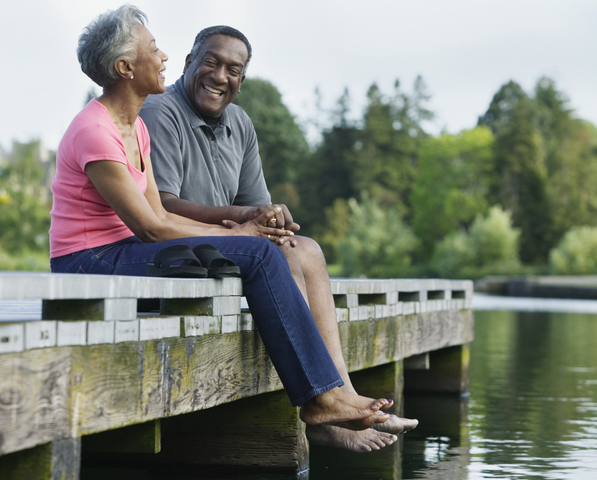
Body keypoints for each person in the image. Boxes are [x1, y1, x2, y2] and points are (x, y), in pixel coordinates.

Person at [49, 4, 394, 436]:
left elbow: (158, 214)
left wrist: (244, 232)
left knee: (263, 249)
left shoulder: (133, 127)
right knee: (261, 255)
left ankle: (329, 394)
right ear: (124, 67)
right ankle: (322, 398)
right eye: (154, 50)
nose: (164, 58)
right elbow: (152, 227)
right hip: (88, 260)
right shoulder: (94, 132)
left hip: (123, 251)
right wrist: (244, 234)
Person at [139, 25, 418, 451]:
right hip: (178, 247)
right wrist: (243, 218)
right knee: (280, 257)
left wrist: (270, 219)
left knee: (305, 248)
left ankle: (339, 394)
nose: (219, 76)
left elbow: (256, 205)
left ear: (242, 80)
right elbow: (160, 206)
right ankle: (322, 403)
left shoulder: (241, 123)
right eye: (211, 62)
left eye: (233, 69)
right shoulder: (162, 110)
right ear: (189, 63)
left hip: (223, 244)